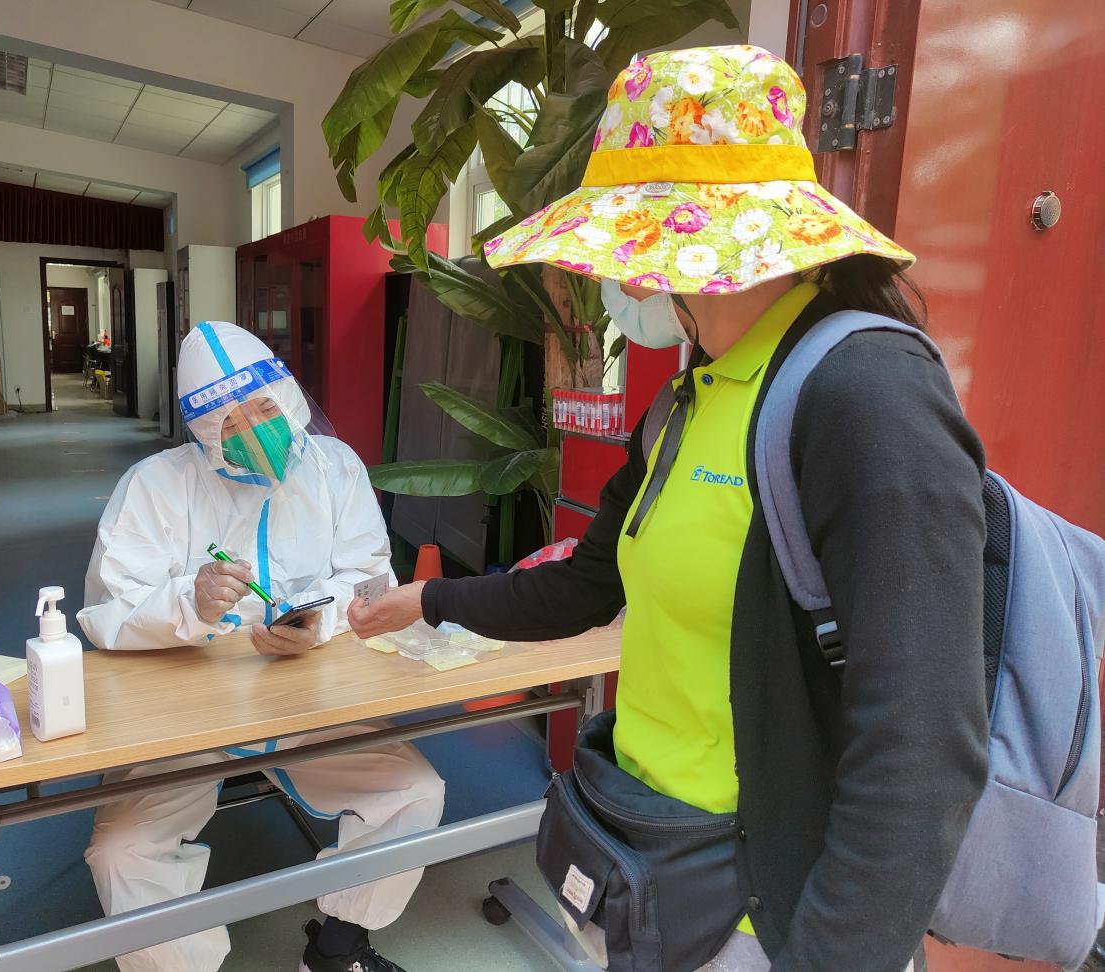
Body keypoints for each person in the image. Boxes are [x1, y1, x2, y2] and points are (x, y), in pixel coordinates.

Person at [351, 45, 987, 972]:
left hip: (766, 914)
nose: (623, 281)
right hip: (653, 854)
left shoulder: (865, 394)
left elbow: (923, 745)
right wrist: (429, 601)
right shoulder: (688, 396)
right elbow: (583, 587)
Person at [78, 321, 444, 972]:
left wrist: (315, 621)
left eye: (265, 410)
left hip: (311, 705)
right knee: (122, 854)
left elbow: (368, 576)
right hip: (185, 720)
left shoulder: (335, 467)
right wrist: (188, 605)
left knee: (414, 792)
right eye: (231, 424)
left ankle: (338, 948)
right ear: (204, 434)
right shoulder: (156, 486)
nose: (255, 432)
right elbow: (107, 609)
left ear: (288, 397)